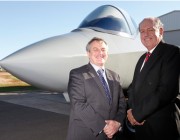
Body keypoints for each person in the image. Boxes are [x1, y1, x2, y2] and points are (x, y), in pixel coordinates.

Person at [127, 17, 180, 140]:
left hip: (161, 128)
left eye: (150, 30)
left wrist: (137, 114)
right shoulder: (142, 59)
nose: (145, 34)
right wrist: (131, 110)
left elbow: (166, 92)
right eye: (142, 31)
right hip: (142, 127)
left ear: (161, 31)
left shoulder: (172, 52)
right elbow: (133, 87)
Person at [66, 37, 127, 140]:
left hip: (111, 135)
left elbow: (122, 103)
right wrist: (105, 127)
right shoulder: (77, 74)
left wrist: (117, 122)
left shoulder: (115, 76)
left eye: (103, 49)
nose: (100, 53)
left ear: (107, 53)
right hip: (86, 134)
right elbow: (78, 104)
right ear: (88, 53)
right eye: (95, 49)